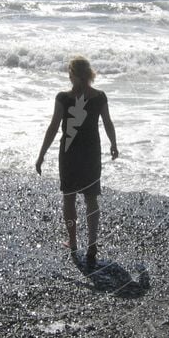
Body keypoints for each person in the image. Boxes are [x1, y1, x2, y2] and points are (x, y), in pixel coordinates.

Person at [36, 56, 118, 272]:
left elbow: (54, 127)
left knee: (69, 198)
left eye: (69, 73)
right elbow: (108, 122)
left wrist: (42, 154)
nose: (69, 76)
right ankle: (92, 244)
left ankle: (72, 241)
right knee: (91, 199)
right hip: (91, 152)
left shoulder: (63, 98)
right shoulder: (99, 97)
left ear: (73, 74)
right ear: (89, 73)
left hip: (70, 153)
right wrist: (114, 144)